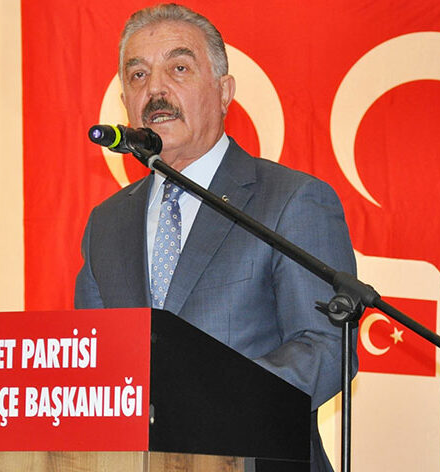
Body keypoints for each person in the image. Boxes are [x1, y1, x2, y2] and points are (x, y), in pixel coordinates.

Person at [75, 4, 357, 471]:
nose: (156, 90)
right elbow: (95, 363)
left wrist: (207, 402)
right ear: (124, 101)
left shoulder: (291, 200)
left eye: (179, 68)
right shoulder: (107, 222)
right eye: (138, 75)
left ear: (224, 92)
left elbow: (325, 347)